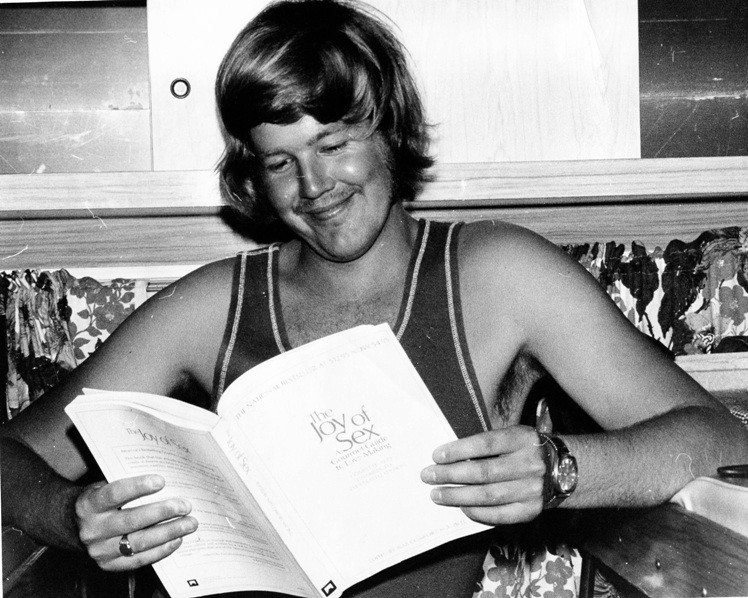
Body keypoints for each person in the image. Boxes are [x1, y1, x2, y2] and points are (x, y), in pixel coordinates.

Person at [2, 0, 747, 596]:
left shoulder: (500, 274)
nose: (314, 186)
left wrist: (564, 468)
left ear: (389, 128)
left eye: (334, 145)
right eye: (280, 163)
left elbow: (723, 438)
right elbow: (11, 453)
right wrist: (70, 517)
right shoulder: (208, 308)